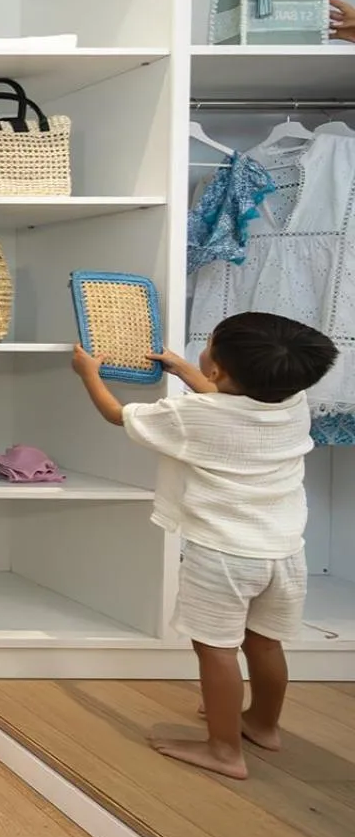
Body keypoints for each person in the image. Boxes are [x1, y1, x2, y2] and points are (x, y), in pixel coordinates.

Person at [71, 312, 337, 780]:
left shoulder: (192, 415)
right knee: (265, 642)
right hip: (284, 552)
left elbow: (117, 415)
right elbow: (231, 404)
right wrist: (184, 370)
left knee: (216, 650)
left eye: (209, 343)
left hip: (223, 555)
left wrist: (88, 373)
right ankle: (263, 725)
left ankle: (223, 750)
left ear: (217, 369)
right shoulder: (293, 404)